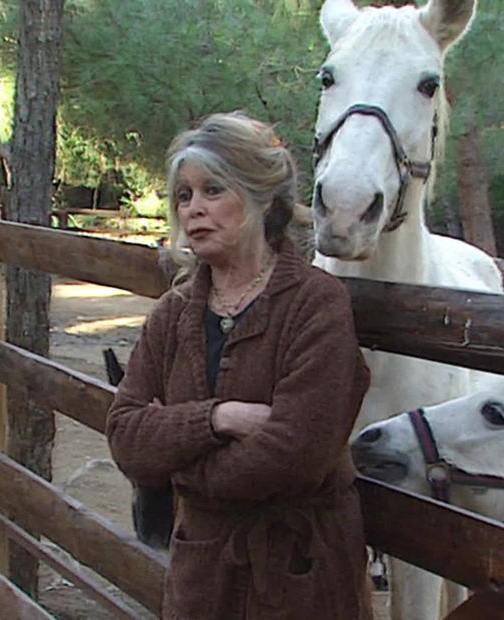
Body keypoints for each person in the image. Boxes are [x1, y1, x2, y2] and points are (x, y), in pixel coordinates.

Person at [105, 111, 372, 619]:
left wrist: (180, 469)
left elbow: (295, 455)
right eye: (184, 195)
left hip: (301, 576)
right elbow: (124, 434)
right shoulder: (174, 311)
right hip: (202, 578)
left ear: (261, 197)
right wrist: (216, 418)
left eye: (213, 190)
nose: (193, 210)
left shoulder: (316, 304)